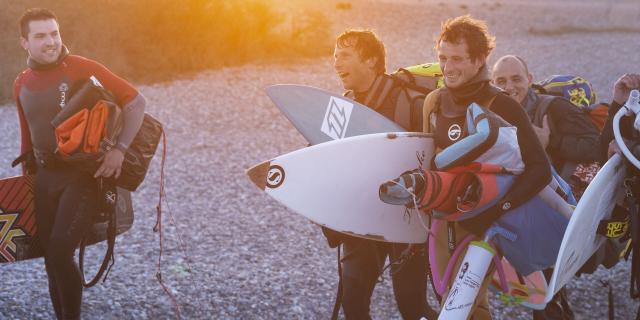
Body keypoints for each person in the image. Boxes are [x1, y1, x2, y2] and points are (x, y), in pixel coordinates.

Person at [13, 8, 145, 319]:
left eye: (54, 33)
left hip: (81, 176)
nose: (51, 42)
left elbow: (136, 101)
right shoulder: (21, 83)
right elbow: (26, 141)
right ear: (24, 43)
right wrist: (26, 187)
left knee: (60, 251)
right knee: (50, 258)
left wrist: (120, 149)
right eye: (41, 36)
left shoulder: (80, 68)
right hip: (44, 179)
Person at [421, 16, 550, 319]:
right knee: (465, 305)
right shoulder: (434, 102)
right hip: (442, 221)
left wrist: (497, 212)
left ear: (479, 60)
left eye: (457, 59)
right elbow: (426, 162)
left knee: (458, 307)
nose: (447, 67)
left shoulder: (501, 105)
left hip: (486, 224)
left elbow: (539, 169)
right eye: (442, 58)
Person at [323, 29, 435, 320]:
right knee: (354, 301)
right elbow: (323, 163)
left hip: (406, 219)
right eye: (334, 56)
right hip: (362, 218)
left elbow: (433, 162)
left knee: (412, 305)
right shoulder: (343, 107)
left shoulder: (410, 103)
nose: (336, 63)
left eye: (344, 56)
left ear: (371, 60)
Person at [491, 55, 600, 180]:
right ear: (492, 84)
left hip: (558, 189)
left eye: (516, 79)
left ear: (529, 79)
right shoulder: (488, 115)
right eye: (501, 81)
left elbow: (596, 146)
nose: (509, 87)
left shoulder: (555, 107)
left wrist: (551, 141)